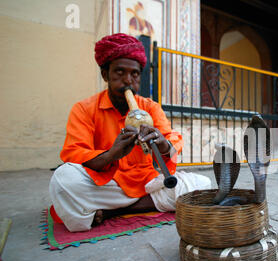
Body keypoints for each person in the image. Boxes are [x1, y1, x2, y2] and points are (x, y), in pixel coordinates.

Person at [49, 33, 211, 232]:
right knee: (64, 180)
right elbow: (74, 154)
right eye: (119, 72)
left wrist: (162, 144)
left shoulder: (150, 107)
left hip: (146, 183)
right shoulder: (84, 109)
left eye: (134, 74)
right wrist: (112, 154)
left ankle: (111, 212)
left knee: (202, 184)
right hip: (107, 184)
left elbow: (172, 140)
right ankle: (131, 205)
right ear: (105, 74)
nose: (127, 80)